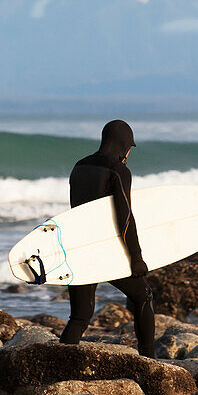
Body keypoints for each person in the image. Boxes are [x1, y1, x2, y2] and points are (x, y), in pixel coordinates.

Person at [59, 118, 155, 356]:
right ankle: (149, 358)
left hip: (77, 246)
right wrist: (136, 257)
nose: (128, 153)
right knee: (143, 295)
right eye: (129, 147)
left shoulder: (79, 166)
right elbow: (125, 218)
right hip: (104, 249)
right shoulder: (118, 170)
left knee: (79, 317)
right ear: (123, 144)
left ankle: (59, 362)